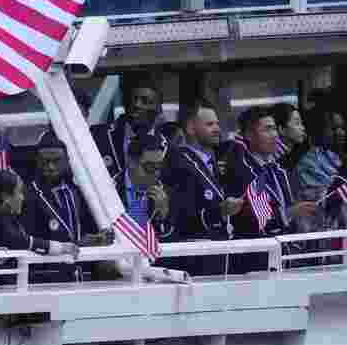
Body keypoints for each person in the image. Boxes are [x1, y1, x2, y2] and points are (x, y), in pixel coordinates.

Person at [225, 107, 318, 273]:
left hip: (286, 258)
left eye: (274, 128)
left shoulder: (278, 170)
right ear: (249, 135)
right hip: (256, 264)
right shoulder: (246, 172)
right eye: (267, 129)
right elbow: (263, 219)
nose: (274, 135)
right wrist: (292, 212)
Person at [166, 99, 241, 276]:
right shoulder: (179, 162)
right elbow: (180, 218)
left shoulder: (212, 160)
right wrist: (219, 211)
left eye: (217, 123)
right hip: (195, 263)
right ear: (191, 128)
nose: (217, 129)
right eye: (209, 124)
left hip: (218, 257)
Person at [23, 132, 108, 283]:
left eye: (56, 161)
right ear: (37, 162)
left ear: (68, 161)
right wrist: (79, 244)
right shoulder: (27, 197)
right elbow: (31, 241)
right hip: (46, 279)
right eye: (45, 161)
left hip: (82, 275)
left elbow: (88, 229)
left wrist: (98, 238)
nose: (50, 167)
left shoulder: (79, 192)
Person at [0, 168, 77, 288]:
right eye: (19, 192)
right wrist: (60, 247)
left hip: (11, 284)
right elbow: (20, 241)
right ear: (6, 196)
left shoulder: (7, 218)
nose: (22, 198)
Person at [94, 72, 164, 179]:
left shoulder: (167, 147)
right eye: (134, 99)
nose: (137, 105)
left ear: (158, 109)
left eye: (145, 101)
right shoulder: (98, 136)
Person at [114, 132, 175, 244]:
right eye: (150, 166)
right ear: (131, 162)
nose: (156, 173)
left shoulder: (167, 192)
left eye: (160, 166)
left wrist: (163, 215)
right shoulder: (111, 189)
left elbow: (170, 243)